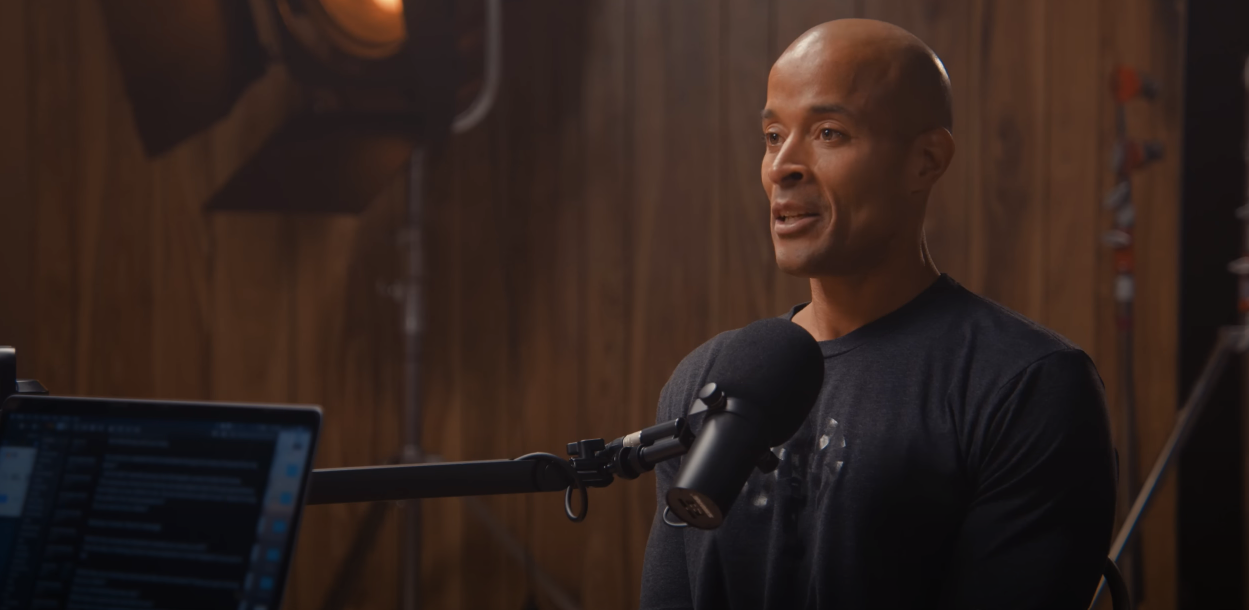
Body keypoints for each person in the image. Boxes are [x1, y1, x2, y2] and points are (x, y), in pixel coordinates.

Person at [639, 19, 1116, 609]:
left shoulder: (1027, 386)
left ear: (926, 160)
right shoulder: (705, 378)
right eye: (771, 135)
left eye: (829, 133)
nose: (781, 166)